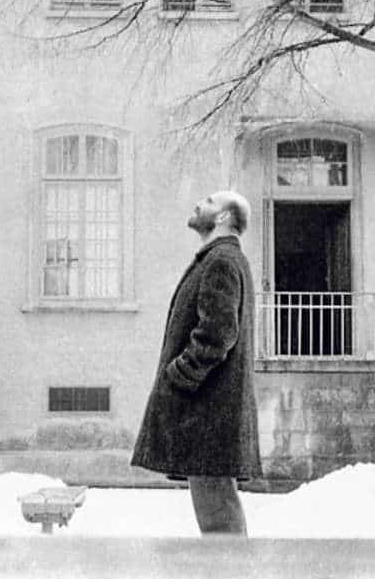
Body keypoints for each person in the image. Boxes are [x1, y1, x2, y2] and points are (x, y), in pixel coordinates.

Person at [131, 190, 262, 535]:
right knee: (217, 509)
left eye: (207, 201)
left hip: (209, 415)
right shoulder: (221, 258)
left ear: (222, 218)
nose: (198, 205)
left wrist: (180, 374)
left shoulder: (220, 261)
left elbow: (218, 334)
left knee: (218, 515)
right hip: (211, 415)